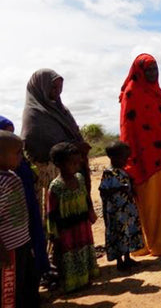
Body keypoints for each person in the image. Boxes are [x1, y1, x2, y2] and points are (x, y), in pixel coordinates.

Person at [119, 53, 161, 255]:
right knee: (151, 202)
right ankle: (154, 243)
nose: (153, 73)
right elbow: (128, 130)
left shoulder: (157, 91)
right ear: (139, 72)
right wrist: (132, 159)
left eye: (155, 69)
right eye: (148, 70)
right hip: (145, 158)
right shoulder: (131, 93)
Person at [21, 69, 92, 216]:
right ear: (41, 86)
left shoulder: (61, 110)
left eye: (60, 88)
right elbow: (35, 145)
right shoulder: (34, 114)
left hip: (70, 170)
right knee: (53, 215)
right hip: (47, 174)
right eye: (53, 87)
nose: (57, 92)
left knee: (72, 214)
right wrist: (74, 147)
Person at [0, 116, 51, 279]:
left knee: (28, 268)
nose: (21, 156)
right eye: (17, 152)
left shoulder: (16, 169)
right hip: (9, 243)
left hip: (24, 230)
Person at [47, 142, 99, 292]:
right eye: (72, 163)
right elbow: (51, 213)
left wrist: (91, 212)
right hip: (66, 229)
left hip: (82, 224)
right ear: (59, 164)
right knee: (70, 254)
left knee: (83, 250)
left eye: (78, 162)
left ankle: (85, 278)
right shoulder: (56, 186)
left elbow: (86, 196)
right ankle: (73, 284)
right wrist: (53, 234)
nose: (77, 166)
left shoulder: (80, 178)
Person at [0, 131, 40, 307]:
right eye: (17, 153)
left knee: (26, 283)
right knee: (10, 290)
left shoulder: (12, 175)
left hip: (21, 243)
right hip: (8, 248)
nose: (20, 157)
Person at [99, 141, 144, 271]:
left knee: (127, 233)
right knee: (118, 235)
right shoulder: (109, 173)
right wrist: (119, 189)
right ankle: (120, 262)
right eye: (124, 158)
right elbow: (103, 191)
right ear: (113, 158)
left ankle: (128, 258)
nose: (126, 160)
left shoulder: (123, 172)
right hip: (115, 211)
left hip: (127, 210)